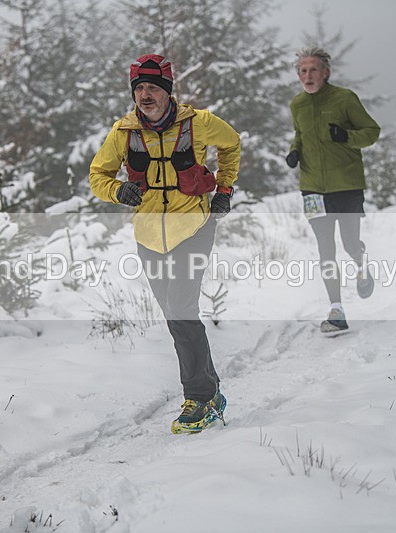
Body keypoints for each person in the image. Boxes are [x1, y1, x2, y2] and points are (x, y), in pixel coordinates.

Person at [90, 54, 240, 434]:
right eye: (139, 88)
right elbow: (97, 175)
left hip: (194, 229)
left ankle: (198, 398)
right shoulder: (123, 132)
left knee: (182, 311)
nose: (145, 95)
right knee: (176, 315)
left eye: (153, 88)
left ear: (167, 92)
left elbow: (232, 143)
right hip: (149, 237)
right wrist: (117, 190)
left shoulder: (197, 123)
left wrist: (224, 189)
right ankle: (212, 392)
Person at [285, 47, 380, 334]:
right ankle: (336, 309)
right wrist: (294, 151)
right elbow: (300, 135)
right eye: (302, 71)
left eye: (313, 70)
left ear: (326, 72)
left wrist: (346, 136)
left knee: (350, 243)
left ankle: (361, 265)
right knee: (325, 248)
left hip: (346, 185)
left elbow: (372, 132)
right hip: (312, 188)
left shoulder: (345, 98)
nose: (307, 75)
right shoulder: (297, 104)